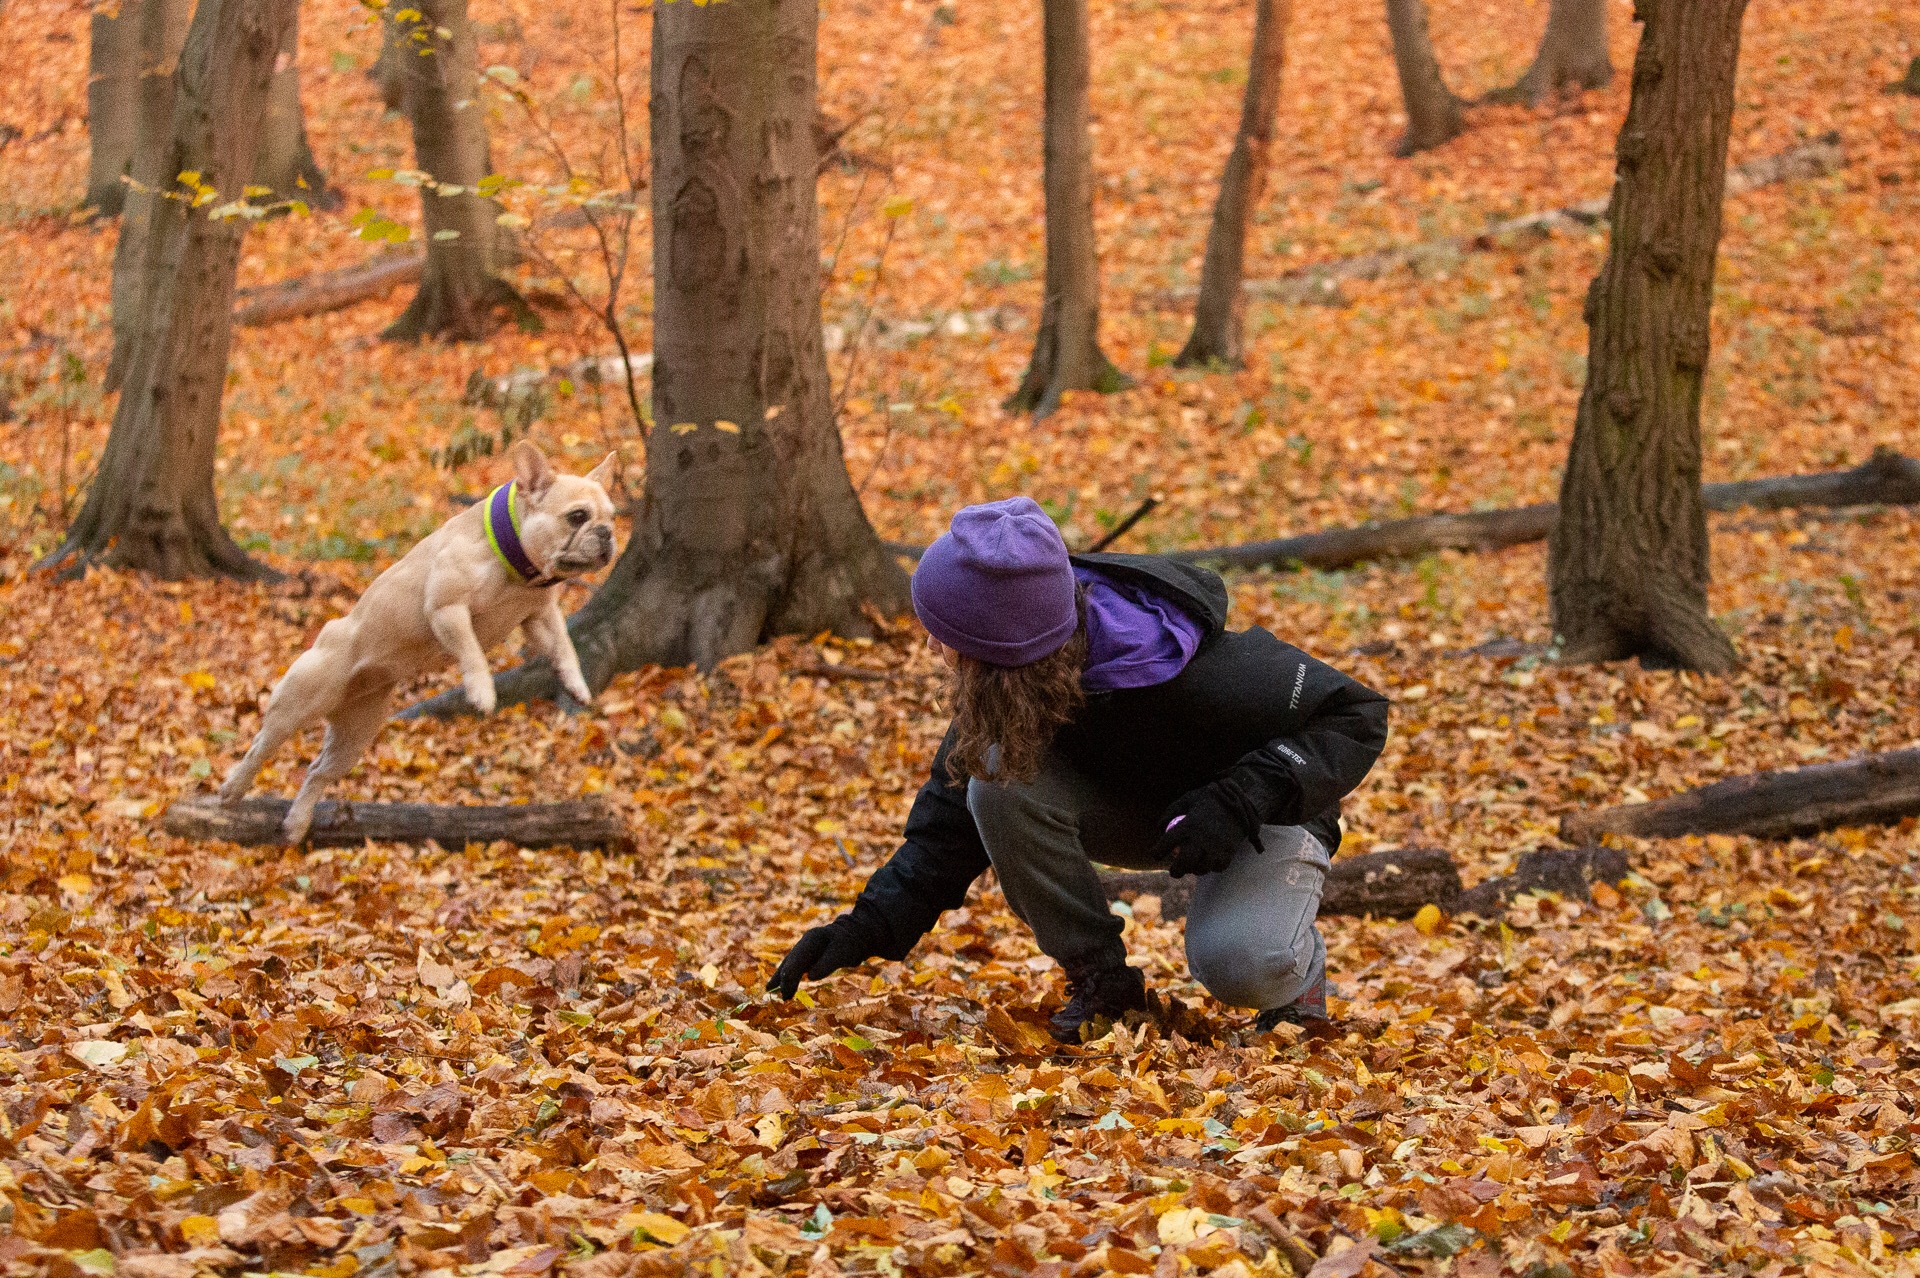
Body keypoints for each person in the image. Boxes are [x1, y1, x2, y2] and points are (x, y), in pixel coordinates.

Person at [768, 497, 1389, 1041]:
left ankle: (1296, 984)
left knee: (1240, 965)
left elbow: (1357, 714)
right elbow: (949, 824)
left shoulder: (1194, 671)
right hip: (1150, 813)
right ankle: (1105, 984)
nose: (934, 646)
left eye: (946, 634)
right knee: (995, 785)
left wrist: (1242, 797)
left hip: (1260, 813)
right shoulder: (1016, 683)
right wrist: (866, 926)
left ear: (998, 649)